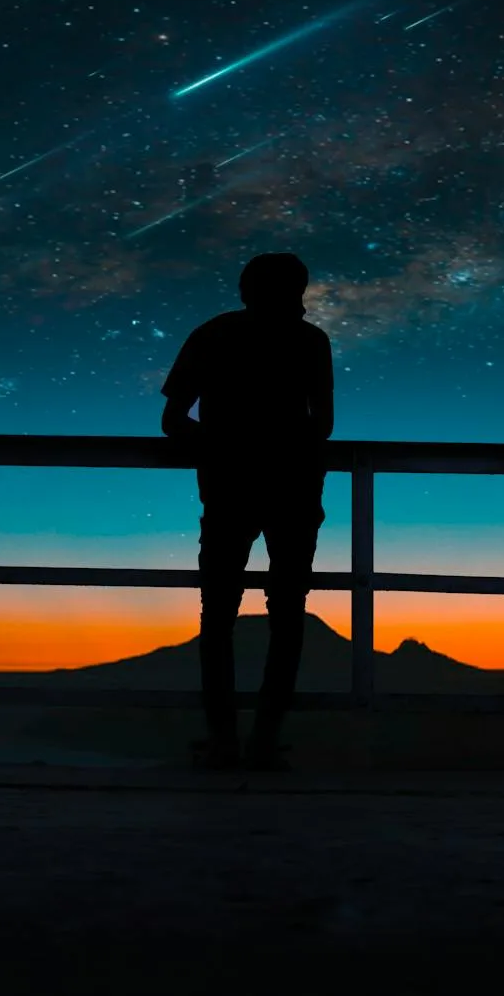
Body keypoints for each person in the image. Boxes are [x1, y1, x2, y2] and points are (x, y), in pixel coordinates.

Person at [160, 252, 333, 772]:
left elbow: (173, 420)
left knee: (217, 616)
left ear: (246, 289)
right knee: (287, 613)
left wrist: (222, 445)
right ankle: (265, 739)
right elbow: (321, 425)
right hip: (295, 490)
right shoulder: (311, 342)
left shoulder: (212, 335)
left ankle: (223, 740)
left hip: (227, 489)